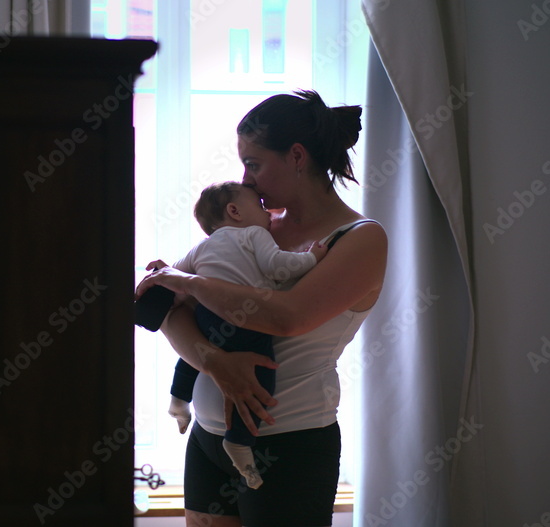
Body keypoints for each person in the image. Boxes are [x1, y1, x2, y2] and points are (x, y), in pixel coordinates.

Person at [135, 90, 387, 527]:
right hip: (208, 438)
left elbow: (286, 317)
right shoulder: (252, 227)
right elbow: (168, 310)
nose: (245, 180)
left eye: (253, 164)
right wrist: (213, 362)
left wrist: (188, 282)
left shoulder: (360, 238)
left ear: (296, 156)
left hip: (289, 446)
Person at [161, 180, 328, 489]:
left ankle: (178, 401)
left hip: (208, 316)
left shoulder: (201, 247)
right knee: (261, 372)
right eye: (261, 206)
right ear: (235, 211)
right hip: (246, 321)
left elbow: (173, 277)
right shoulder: (254, 234)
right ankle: (239, 440)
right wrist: (312, 258)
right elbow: (277, 266)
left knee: (195, 354)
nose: (268, 213)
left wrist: (159, 275)